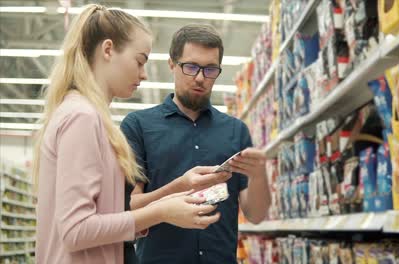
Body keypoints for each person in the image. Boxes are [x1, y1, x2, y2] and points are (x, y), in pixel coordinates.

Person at [33, 5, 225, 264]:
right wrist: (160, 213)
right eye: (140, 61)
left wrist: (174, 196)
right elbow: (75, 231)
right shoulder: (82, 117)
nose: (144, 74)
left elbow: (101, 218)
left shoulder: (90, 117)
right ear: (108, 50)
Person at [120, 24, 272, 264]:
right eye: (191, 67)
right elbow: (128, 207)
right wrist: (178, 187)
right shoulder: (138, 126)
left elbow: (256, 215)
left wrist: (260, 175)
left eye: (210, 69)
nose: (200, 78)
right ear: (172, 64)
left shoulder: (236, 131)